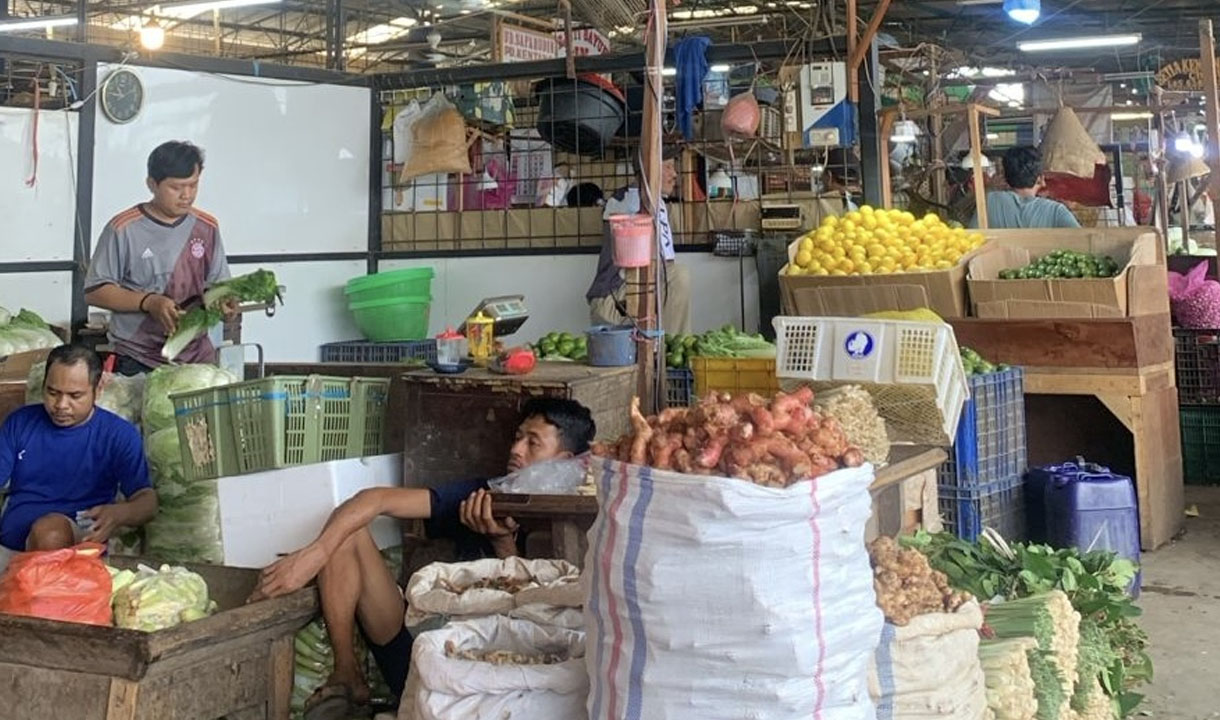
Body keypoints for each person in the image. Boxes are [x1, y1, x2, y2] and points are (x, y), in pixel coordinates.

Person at [250, 398, 596, 719]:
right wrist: (316, 554)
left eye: (533, 443)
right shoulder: (486, 494)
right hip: (422, 658)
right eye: (517, 437)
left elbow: (539, 625)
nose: (516, 449)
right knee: (348, 531)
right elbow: (375, 500)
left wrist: (502, 544)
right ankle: (347, 671)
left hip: (495, 684)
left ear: (564, 461)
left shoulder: (580, 517)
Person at [0, 345, 157, 575]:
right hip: (9, 550)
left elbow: (148, 502)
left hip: (72, 546)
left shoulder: (117, 435)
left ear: (98, 388)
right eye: (52, 392)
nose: (61, 405)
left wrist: (117, 514)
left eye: (75, 396)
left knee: (50, 532)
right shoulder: (20, 423)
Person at [84, 141, 234, 376]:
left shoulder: (207, 227)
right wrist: (149, 302)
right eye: (176, 187)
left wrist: (223, 300)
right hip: (137, 358)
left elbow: (217, 284)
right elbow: (95, 290)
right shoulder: (123, 228)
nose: (186, 195)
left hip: (196, 359)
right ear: (152, 184)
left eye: (193, 185)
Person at [587, 148, 692, 335]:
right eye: (667, 167)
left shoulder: (655, 202)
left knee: (674, 276)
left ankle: (669, 347)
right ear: (650, 169)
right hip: (611, 302)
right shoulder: (628, 200)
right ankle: (673, 347)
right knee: (677, 277)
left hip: (635, 289)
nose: (674, 174)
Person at [971, 146, 1081, 229]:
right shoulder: (1056, 211)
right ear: (1040, 179)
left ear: (1006, 178)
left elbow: (971, 237)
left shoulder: (989, 201)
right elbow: (1082, 240)